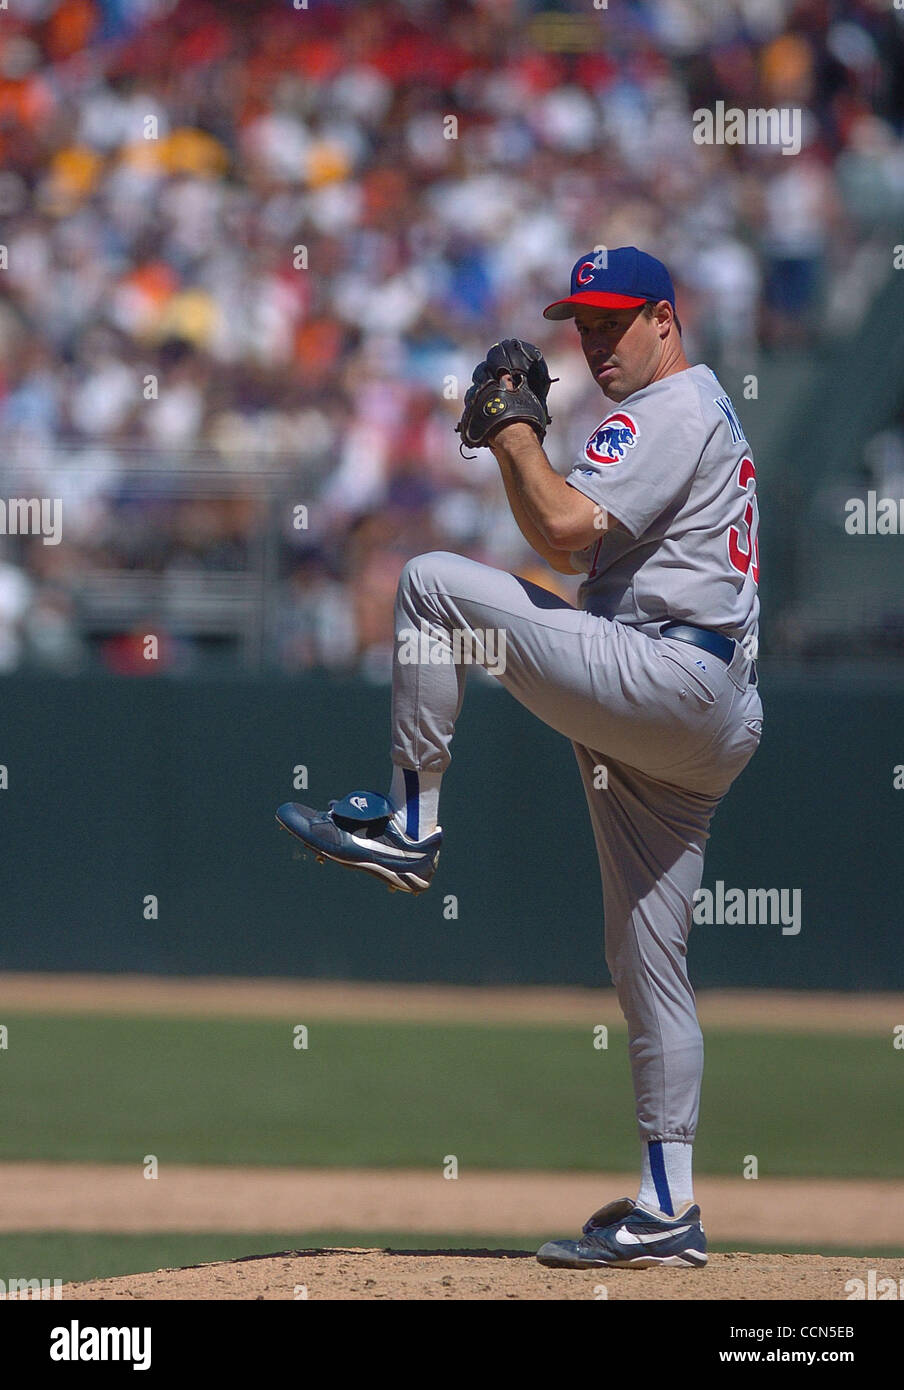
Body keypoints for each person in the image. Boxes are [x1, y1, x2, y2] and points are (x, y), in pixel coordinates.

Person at [276, 246, 763, 1270]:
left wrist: (510, 434)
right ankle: (668, 1205)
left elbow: (562, 530)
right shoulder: (694, 412)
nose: (593, 337)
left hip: (665, 675)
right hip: (695, 712)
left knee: (429, 583)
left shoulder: (668, 407)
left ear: (665, 321)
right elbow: (565, 533)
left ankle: (412, 825)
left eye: (615, 318)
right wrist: (518, 442)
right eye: (581, 320)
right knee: (648, 964)